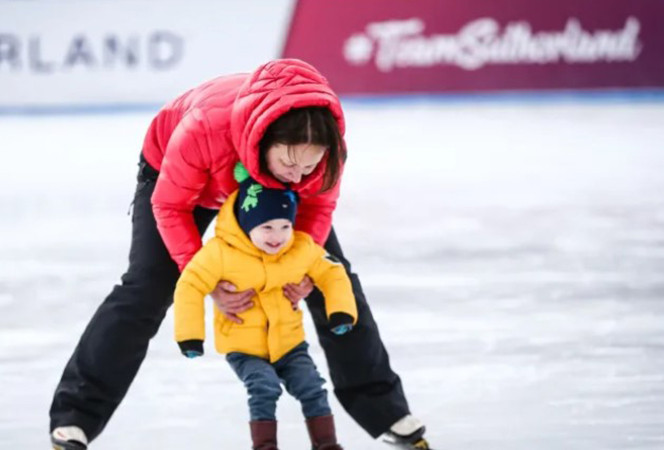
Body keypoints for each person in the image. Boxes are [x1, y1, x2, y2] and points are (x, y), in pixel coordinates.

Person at [49, 58, 431, 450]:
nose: (298, 177)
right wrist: (206, 278)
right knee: (148, 286)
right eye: (288, 162)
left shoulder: (323, 155)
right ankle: (74, 417)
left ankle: (385, 410)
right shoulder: (203, 129)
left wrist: (302, 271)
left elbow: (317, 207)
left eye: (309, 166)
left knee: (333, 279)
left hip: (264, 190)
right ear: (265, 142)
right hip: (183, 181)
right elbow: (169, 205)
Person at [174, 166, 358, 450]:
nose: (278, 236)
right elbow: (190, 284)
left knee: (312, 388)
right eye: (267, 227)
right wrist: (190, 336)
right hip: (244, 348)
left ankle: (327, 444)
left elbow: (332, 272)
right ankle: (265, 445)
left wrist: (341, 311)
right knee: (264, 387)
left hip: (290, 344)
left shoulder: (299, 247)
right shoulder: (220, 253)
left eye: (285, 226)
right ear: (248, 224)